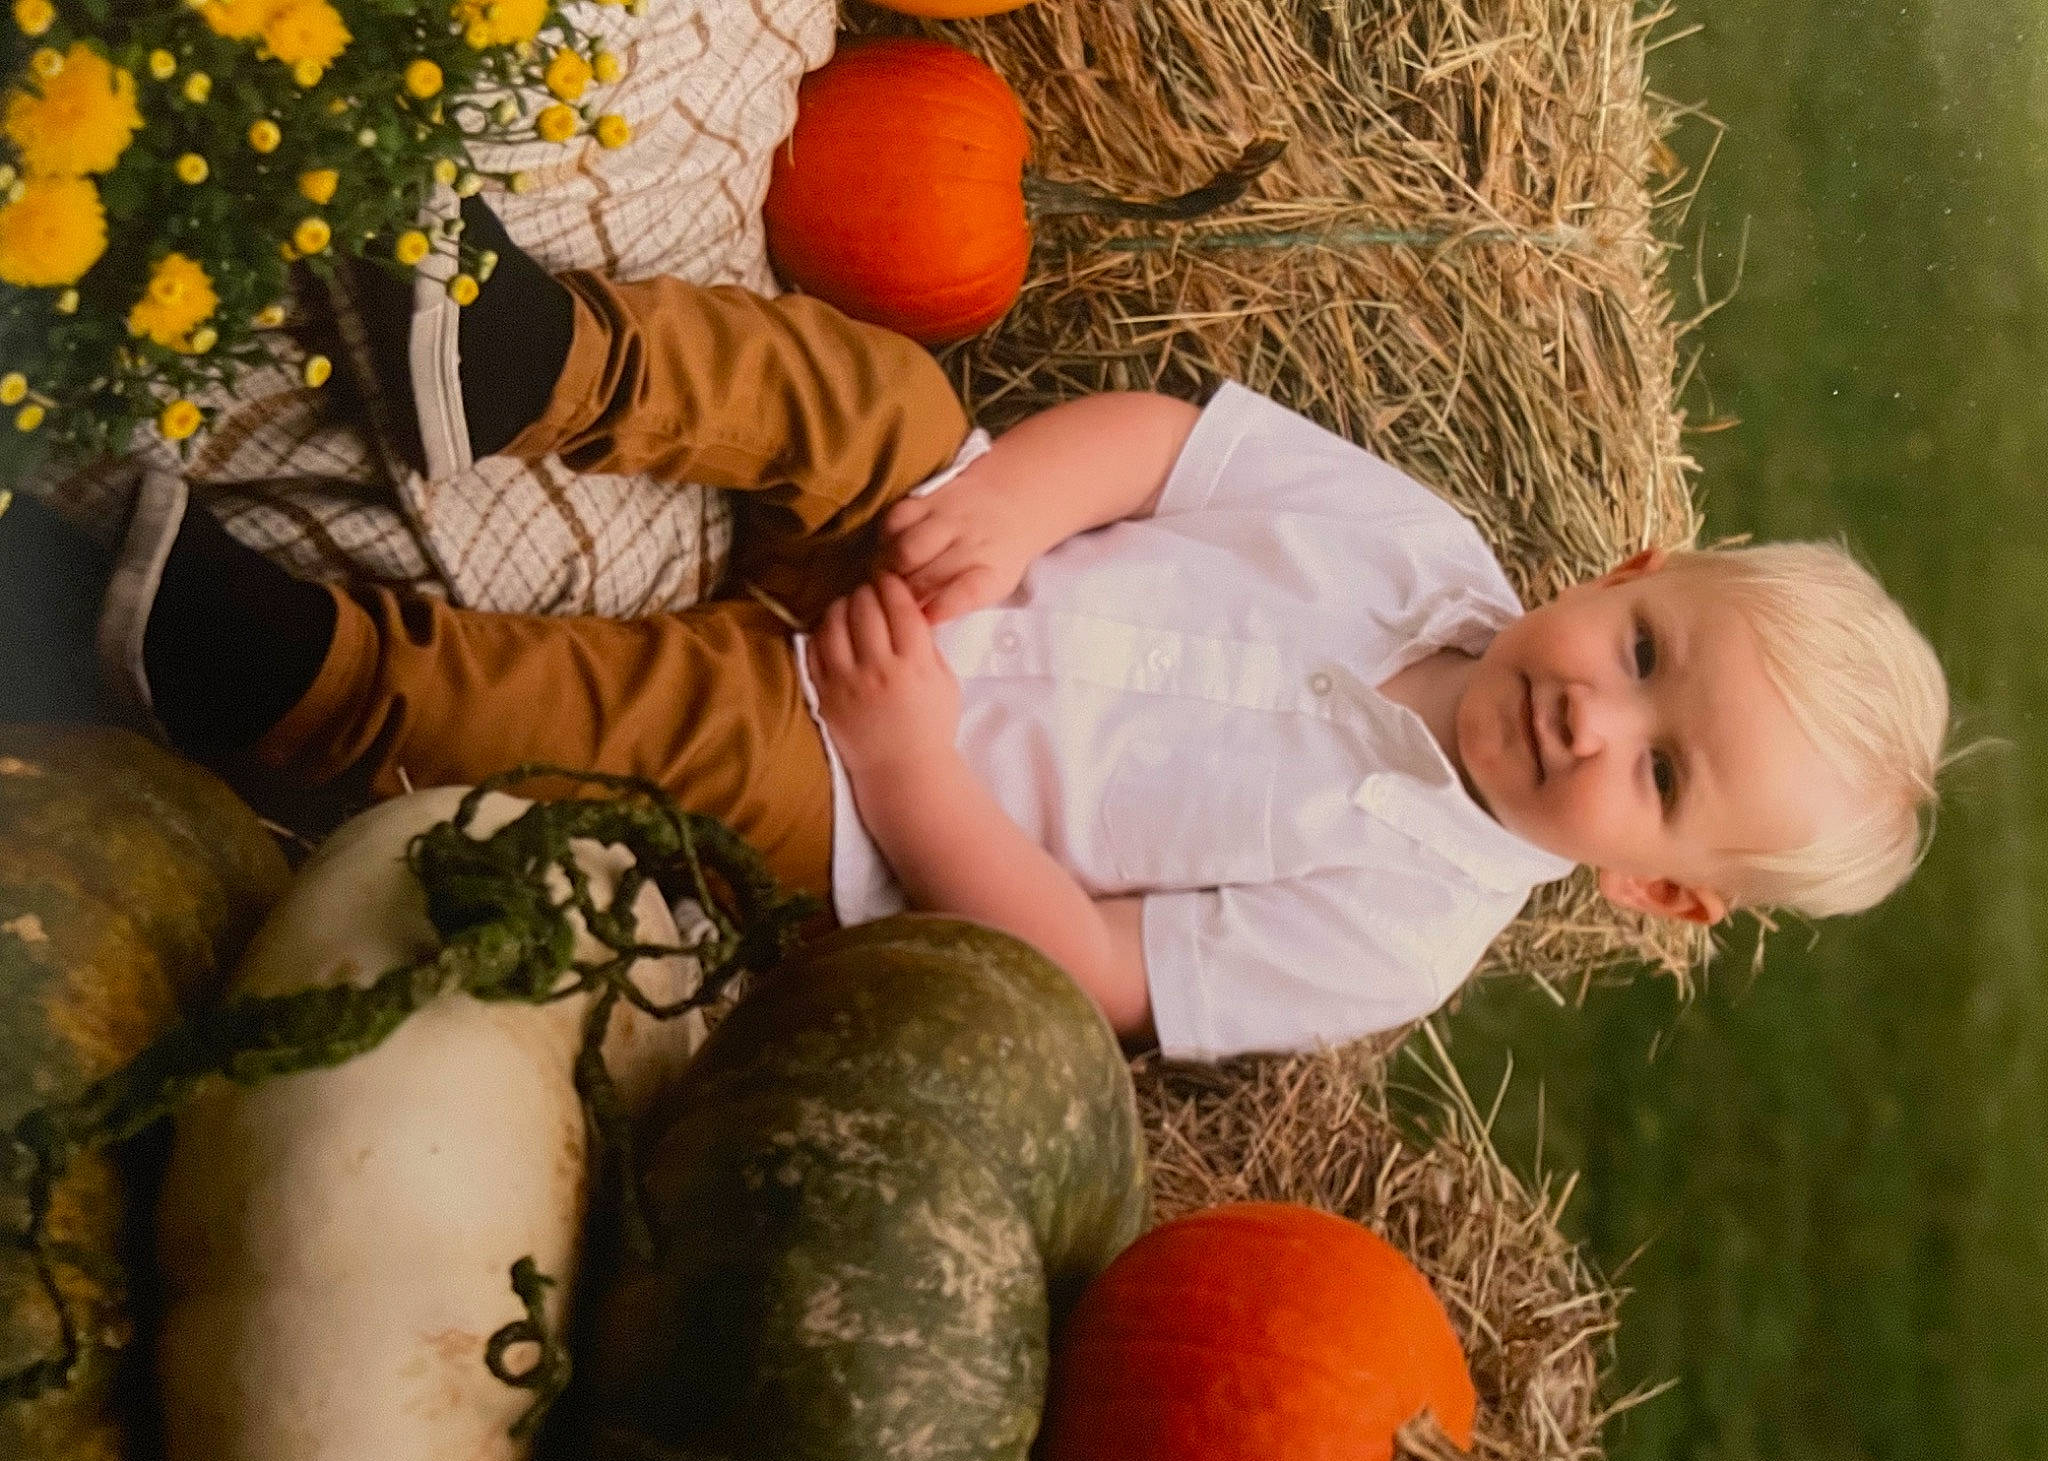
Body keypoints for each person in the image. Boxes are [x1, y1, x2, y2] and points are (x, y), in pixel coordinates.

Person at [97, 202, 1952, 1060]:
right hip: (947, 553)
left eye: (1660, 776)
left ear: (1659, 896)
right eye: (1644, 661)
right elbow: (1168, 448)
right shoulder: (1422, 552)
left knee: (634, 730)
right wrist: (1004, 507)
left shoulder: (1398, 937)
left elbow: (1081, 966)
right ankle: (529, 356)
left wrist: (905, 763)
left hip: (855, 792)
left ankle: (295, 674)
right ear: (1628, 573)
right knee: (873, 395)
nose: (1593, 723)